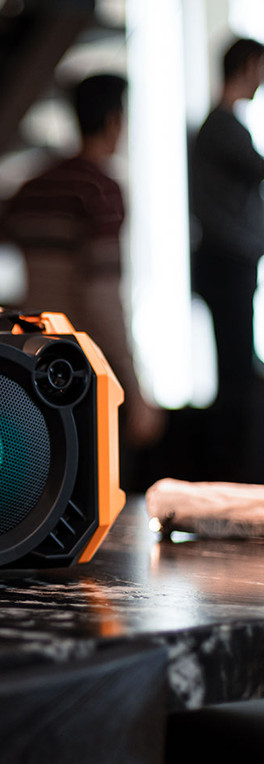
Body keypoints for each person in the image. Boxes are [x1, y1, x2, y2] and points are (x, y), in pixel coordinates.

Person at [0, 73, 163, 448]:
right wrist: (135, 390)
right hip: (83, 362)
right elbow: (101, 298)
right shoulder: (100, 191)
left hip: (31, 353)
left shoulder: (33, 187)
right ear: (114, 120)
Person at [191, 38, 264, 481]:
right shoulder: (222, 126)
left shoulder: (221, 125)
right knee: (237, 378)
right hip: (227, 264)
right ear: (248, 65)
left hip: (228, 264)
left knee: (239, 371)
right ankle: (237, 475)